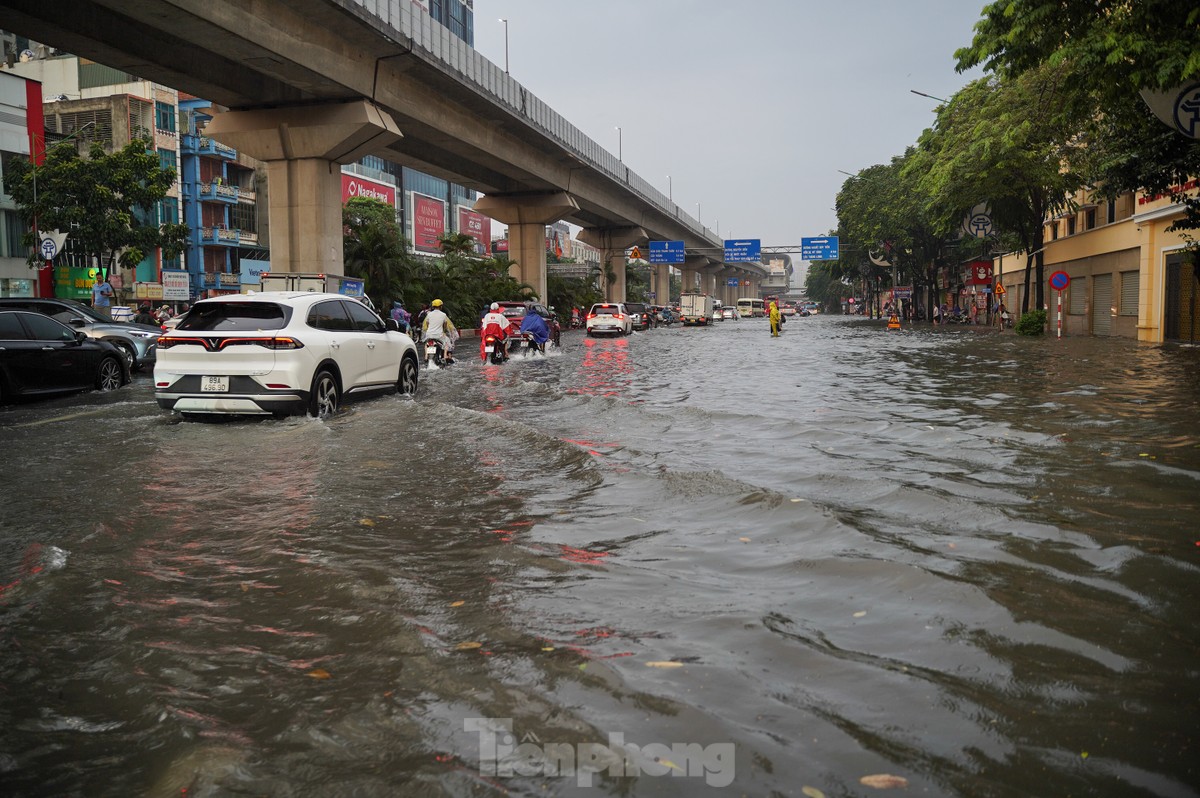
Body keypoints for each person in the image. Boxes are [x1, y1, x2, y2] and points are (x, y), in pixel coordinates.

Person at [421, 299, 456, 363]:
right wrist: (444, 331)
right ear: (441, 306)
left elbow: (427, 323)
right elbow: (445, 325)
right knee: (447, 341)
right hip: (439, 335)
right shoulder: (443, 315)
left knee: (426, 344)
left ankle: (426, 356)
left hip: (429, 334)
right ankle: (445, 355)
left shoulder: (429, 314)